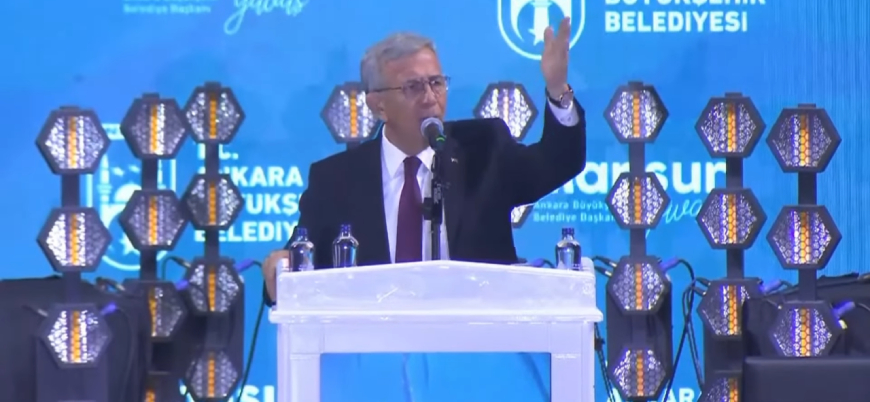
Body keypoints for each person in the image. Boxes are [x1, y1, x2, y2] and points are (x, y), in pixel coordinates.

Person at [262, 17, 586, 304]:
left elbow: (558, 162)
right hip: (372, 344)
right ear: (378, 105)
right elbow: (296, 263)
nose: (430, 97)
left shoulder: (484, 150)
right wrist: (281, 266)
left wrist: (558, 90)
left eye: (436, 83)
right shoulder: (335, 180)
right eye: (413, 87)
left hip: (476, 340)